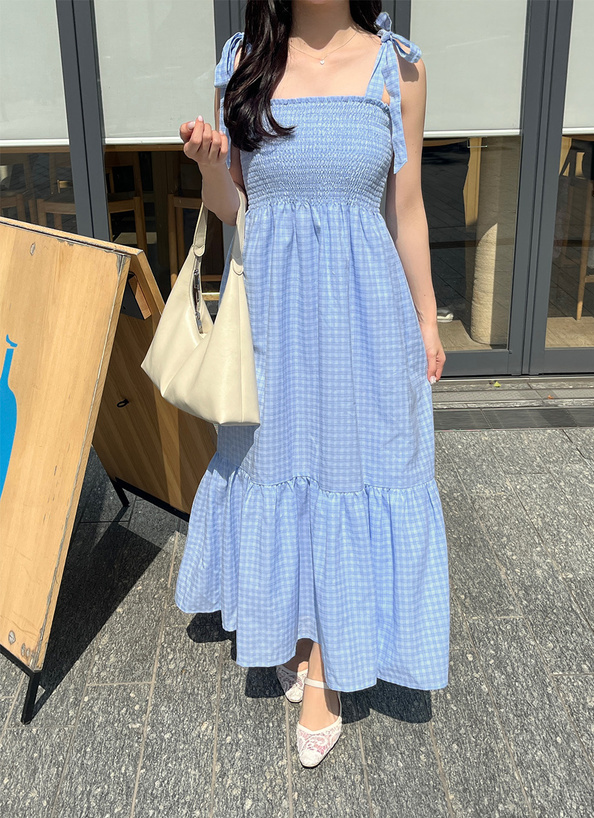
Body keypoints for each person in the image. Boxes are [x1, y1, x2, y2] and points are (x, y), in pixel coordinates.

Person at [174, 0, 450, 769]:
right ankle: (292, 625)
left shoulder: (399, 68)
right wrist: (208, 166)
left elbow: (407, 207)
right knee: (278, 465)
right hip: (272, 314)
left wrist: (427, 318)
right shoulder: (244, 63)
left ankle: (326, 660)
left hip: (365, 315)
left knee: (350, 471)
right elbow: (234, 208)